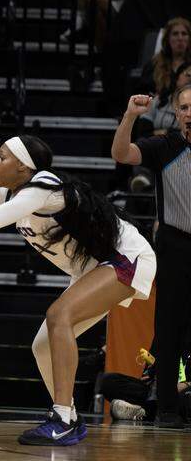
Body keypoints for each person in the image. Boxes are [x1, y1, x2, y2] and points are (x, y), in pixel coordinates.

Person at [0, 134, 156, 445]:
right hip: (93, 268)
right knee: (43, 345)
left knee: (59, 314)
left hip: (126, 257)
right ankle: (70, 416)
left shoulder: (44, 186)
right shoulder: (13, 193)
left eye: (2, 157)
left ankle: (61, 416)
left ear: (23, 167)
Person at [111, 90, 191, 429]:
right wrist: (130, 115)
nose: (190, 112)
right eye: (185, 106)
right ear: (175, 112)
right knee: (169, 328)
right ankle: (168, 409)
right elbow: (120, 153)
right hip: (175, 244)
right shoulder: (165, 147)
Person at [138, 17, 191, 97]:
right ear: (167, 38)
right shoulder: (154, 64)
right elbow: (142, 92)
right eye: (175, 34)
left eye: (184, 34)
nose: (180, 38)